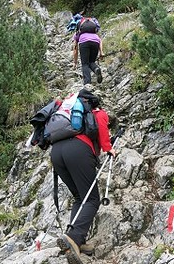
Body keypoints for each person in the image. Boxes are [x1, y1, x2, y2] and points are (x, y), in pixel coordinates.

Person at [51, 87, 116, 264]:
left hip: (56, 153)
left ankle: (77, 241)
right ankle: (73, 236)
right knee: (93, 199)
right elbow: (103, 133)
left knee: (80, 196)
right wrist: (109, 149)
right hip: (78, 151)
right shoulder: (98, 112)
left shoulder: (67, 114)